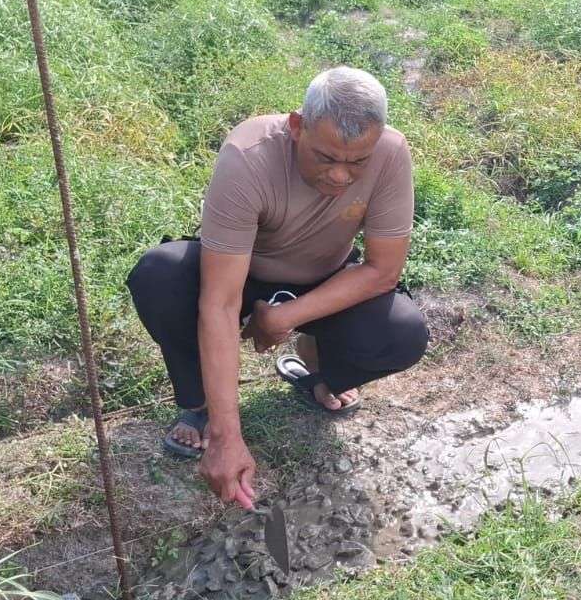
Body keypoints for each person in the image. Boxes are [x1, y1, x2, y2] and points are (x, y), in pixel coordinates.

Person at [127, 67, 429, 508]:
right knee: (161, 276)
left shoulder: (390, 153)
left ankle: (320, 367)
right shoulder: (248, 155)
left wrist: (284, 317)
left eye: (357, 163)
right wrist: (227, 437)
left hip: (324, 277)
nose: (340, 176)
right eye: (326, 158)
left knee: (401, 332)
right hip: (242, 271)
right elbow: (220, 301)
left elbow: (382, 271)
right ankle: (203, 405)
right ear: (297, 126)